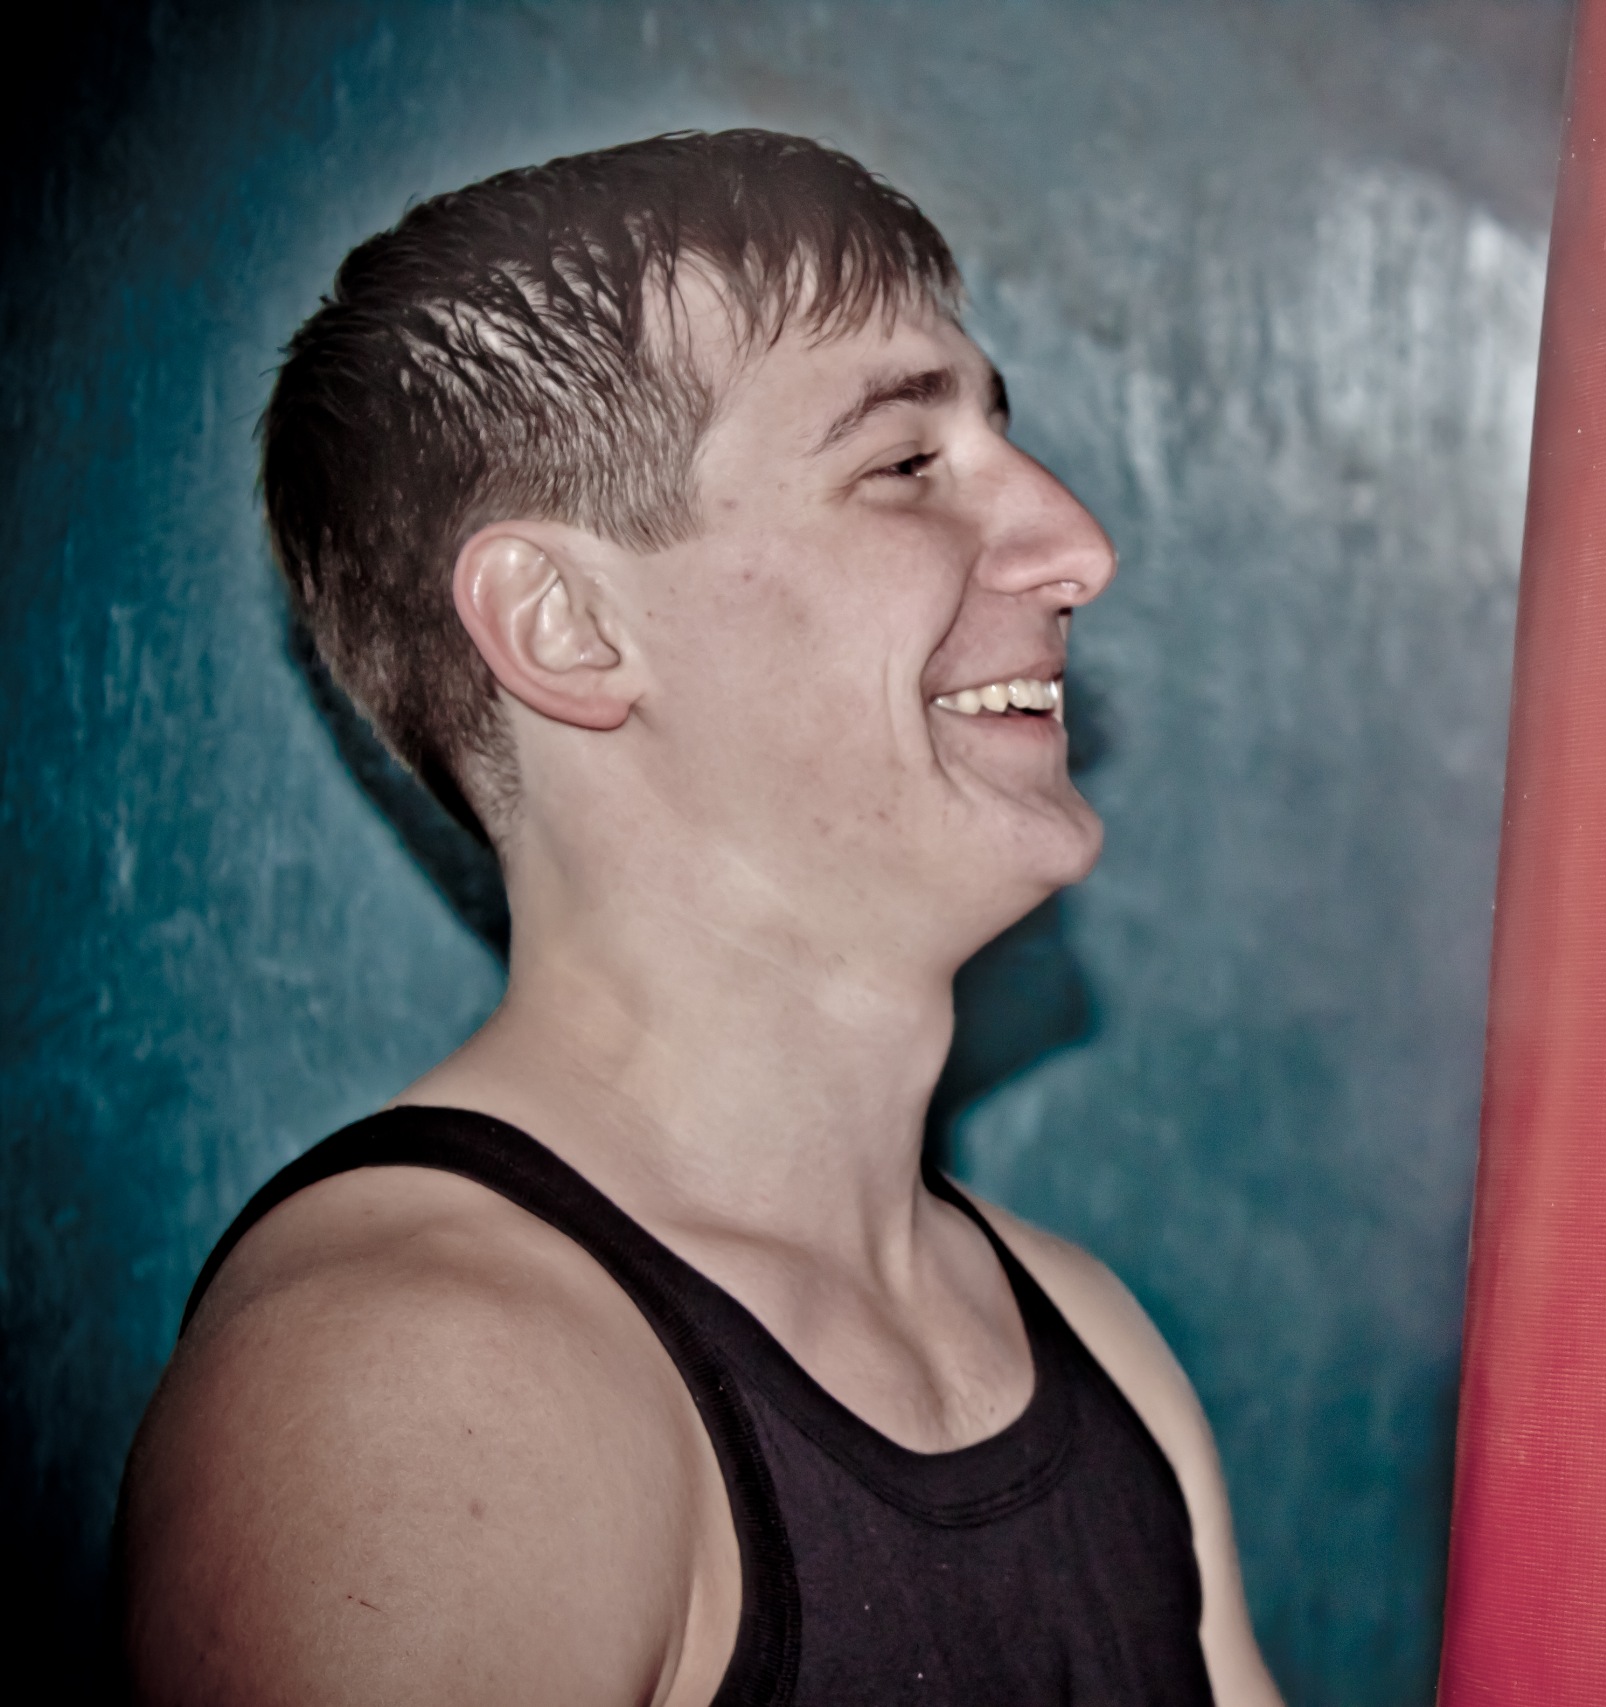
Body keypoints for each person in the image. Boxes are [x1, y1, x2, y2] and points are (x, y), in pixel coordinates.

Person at [116, 129, 1283, 1707]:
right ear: (567, 625)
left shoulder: (1084, 1336)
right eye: (903, 465)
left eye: (1000, 439)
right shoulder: (421, 1385)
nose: (1078, 546)